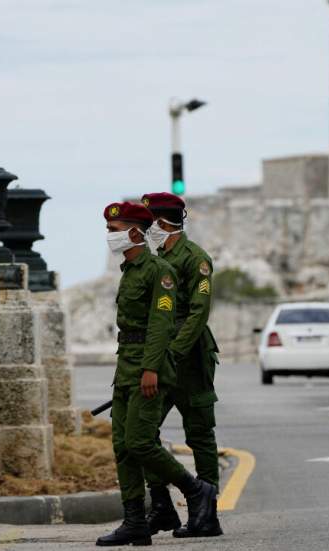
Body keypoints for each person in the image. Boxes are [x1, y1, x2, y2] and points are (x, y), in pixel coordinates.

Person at [97, 201, 218, 547]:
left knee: (195, 431)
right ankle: (152, 510)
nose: (109, 237)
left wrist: (161, 361)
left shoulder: (182, 263)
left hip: (181, 359)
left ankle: (203, 500)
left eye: (114, 231)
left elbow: (190, 315)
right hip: (133, 363)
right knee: (128, 443)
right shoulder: (132, 269)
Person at [140, 192, 222, 538]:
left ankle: (207, 514)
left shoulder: (195, 259)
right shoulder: (157, 259)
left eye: (149, 224)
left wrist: (172, 354)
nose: (146, 231)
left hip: (189, 359)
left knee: (199, 433)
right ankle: (161, 505)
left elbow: (197, 313)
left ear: (161, 223)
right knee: (142, 430)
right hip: (161, 356)